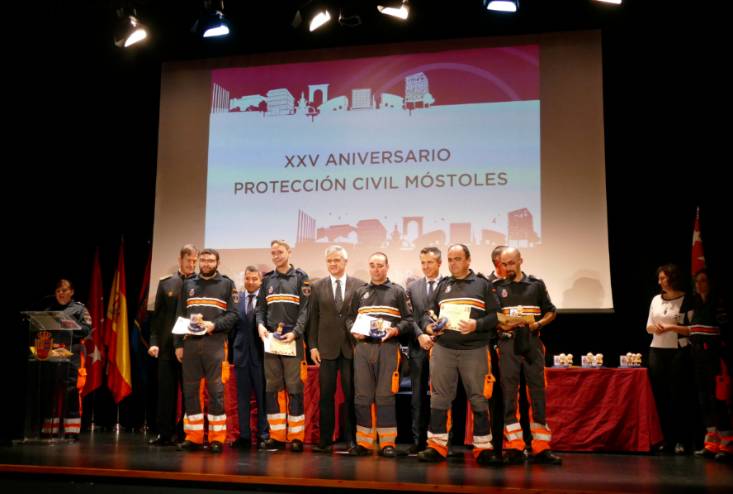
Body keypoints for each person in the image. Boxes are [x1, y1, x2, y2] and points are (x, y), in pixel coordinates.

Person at [417, 245, 501, 466]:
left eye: (458, 259)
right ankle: (437, 446)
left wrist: (476, 324)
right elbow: (427, 314)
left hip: (475, 350)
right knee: (439, 397)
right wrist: (428, 327)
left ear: (468, 260)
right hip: (443, 349)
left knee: (479, 397)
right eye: (450, 259)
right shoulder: (443, 285)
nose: (453, 263)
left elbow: (496, 316)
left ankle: (483, 447)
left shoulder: (482, 284)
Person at [495, 247, 561, 465]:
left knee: (537, 393)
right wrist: (502, 324)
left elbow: (551, 311)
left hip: (532, 342)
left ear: (520, 261)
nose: (508, 267)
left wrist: (538, 324)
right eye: (504, 264)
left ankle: (541, 446)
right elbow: (492, 317)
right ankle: (514, 446)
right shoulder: (496, 288)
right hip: (508, 344)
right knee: (509, 394)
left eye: (511, 263)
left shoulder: (536, 284)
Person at [347, 252, 413, 458]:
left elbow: (408, 320)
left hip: (388, 348)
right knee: (362, 395)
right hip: (363, 348)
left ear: (387, 267)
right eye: (372, 265)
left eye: (380, 265)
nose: (376, 269)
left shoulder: (398, 291)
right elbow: (349, 318)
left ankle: (387, 442)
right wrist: (353, 330)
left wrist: (395, 330)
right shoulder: (360, 292)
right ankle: (364, 442)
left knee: (385, 395)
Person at [175, 248, 239, 453]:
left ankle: (216, 438)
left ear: (217, 262)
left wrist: (214, 325)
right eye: (203, 260)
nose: (206, 264)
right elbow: (180, 314)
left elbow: (233, 315)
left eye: (211, 260)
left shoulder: (227, 284)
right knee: (191, 391)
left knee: (216, 392)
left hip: (215, 343)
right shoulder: (188, 284)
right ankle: (193, 437)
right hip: (190, 344)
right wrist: (178, 345)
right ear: (198, 262)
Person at [308, 245, 365, 453]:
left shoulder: (360, 285)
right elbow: (313, 318)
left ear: (345, 262)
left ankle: (351, 440)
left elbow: (363, 317)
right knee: (326, 396)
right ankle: (325, 439)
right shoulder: (317, 286)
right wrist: (313, 346)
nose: (333, 264)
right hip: (326, 349)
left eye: (337, 260)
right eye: (329, 260)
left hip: (351, 348)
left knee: (351, 395)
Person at [256, 240, 310, 452]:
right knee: (273, 388)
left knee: (295, 388)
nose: (276, 256)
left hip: (293, 340)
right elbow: (260, 309)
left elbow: (305, 310)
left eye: (280, 252)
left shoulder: (301, 278)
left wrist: (295, 332)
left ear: (289, 252)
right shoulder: (267, 279)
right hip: (271, 340)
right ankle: (277, 436)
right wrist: (260, 326)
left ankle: (296, 436)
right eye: (273, 253)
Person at [148, 244, 198, 446]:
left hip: (191, 346)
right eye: (189, 260)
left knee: (189, 393)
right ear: (180, 260)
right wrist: (154, 342)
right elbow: (157, 317)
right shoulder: (167, 283)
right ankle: (164, 433)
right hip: (167, 346)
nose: (192, 264)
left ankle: (186, 433)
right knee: (165, 392)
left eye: (194, 261)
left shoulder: (199, 284)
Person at [646, 263, 694, 455]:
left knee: (678, 396)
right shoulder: (656, 299)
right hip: (656, 351)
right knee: (661, 396)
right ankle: (667, 439)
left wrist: (672, 327)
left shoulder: (686, 300)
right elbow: (648, 327)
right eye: (659, 278)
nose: (659, 282)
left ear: (672, 278)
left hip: (677, 352)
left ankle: (682, 440)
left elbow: (692, 329)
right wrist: (656, 328)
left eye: (663, 278)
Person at [688, 269, 731, 461]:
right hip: (699, 358)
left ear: (710, 283)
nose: (699, 284)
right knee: (703, 398)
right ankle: (711, 441)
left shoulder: (718, 303)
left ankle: (727, 442)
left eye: (703, 281)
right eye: (697, 281)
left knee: (718, 399)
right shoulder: (696, 304)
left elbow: (724, 330)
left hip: (714, 357)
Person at [40, 279, 92, 439]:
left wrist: (68, 324)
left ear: (72, 292)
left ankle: (71, 429)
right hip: (53, 352)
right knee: (52, 388)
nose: (60, 293)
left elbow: (86, 329)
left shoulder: (79, 309)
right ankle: (50, 428)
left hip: (72, 351)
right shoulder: (49, 309)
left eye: (64, 290)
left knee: (71, 388)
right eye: (58, 291)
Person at [405, 246, 443, 454]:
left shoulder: (448, 285)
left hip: (443, 347)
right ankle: (418, 441)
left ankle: (443, 442)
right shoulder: (412, 287)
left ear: (439, 263)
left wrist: (436, 337)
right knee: (417, 397)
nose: (426, 266)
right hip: (418, 347)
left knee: (442, 395)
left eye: (430, 262)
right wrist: (420, 335)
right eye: (423, 263)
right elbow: (408, 317)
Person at [230, 266, 269, 449]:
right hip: (241, 355)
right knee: (242, 398)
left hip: (261, 356)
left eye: (254, 279)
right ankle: (244, 436)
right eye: (248, 278)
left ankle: (263, 435)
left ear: (261, 281)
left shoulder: (265, 299)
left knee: (262, 398)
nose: (251, 282)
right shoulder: (236, 298)